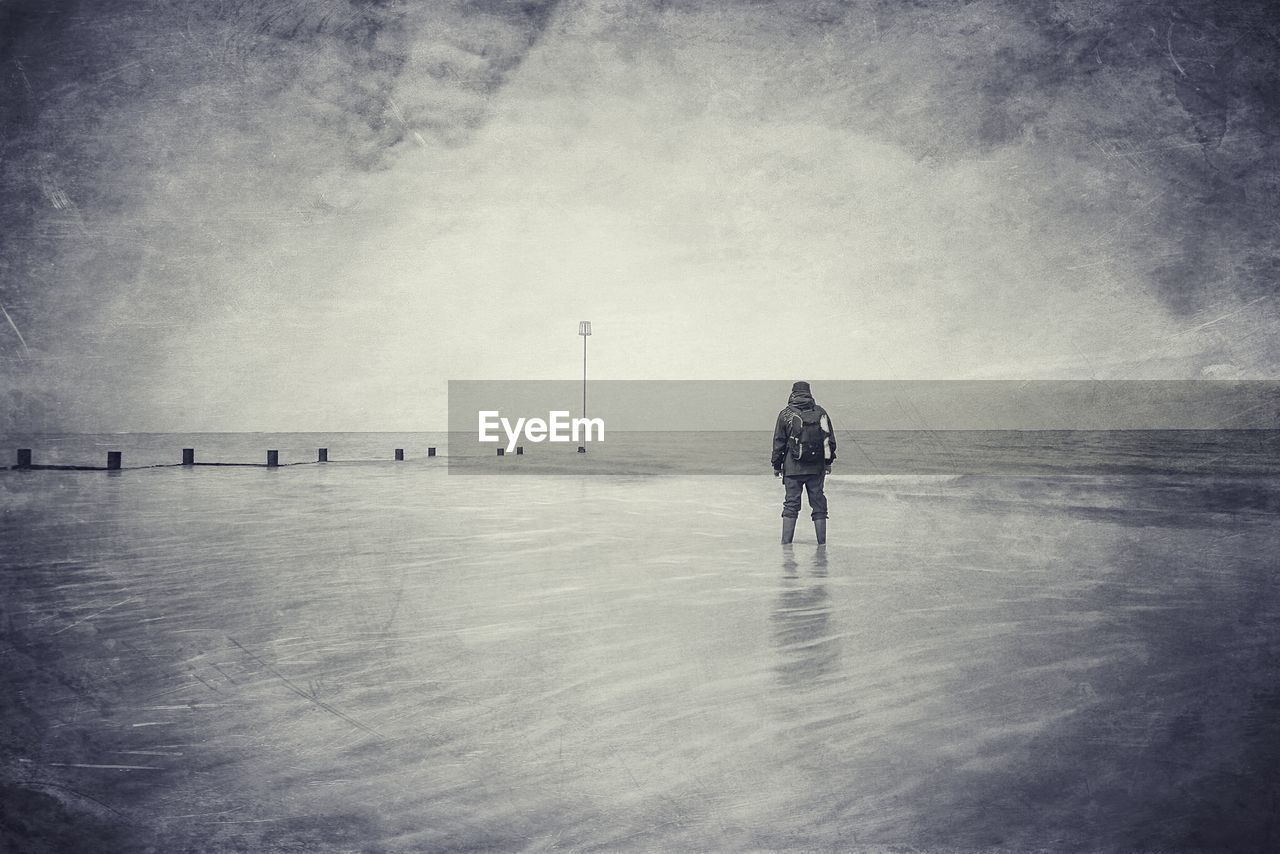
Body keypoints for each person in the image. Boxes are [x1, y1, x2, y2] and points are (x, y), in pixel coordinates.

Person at [771, 381, 836, 545]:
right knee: (819, 504)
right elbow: (829, 440)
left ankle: (786, 546)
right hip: (816, 467)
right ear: (809, 393)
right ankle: (822, 545)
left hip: (793, 468)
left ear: (792, 394)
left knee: (791, 504)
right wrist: (828, 462)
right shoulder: (820, 412)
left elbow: (779, 442)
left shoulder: (785, 414)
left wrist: (776, 465)